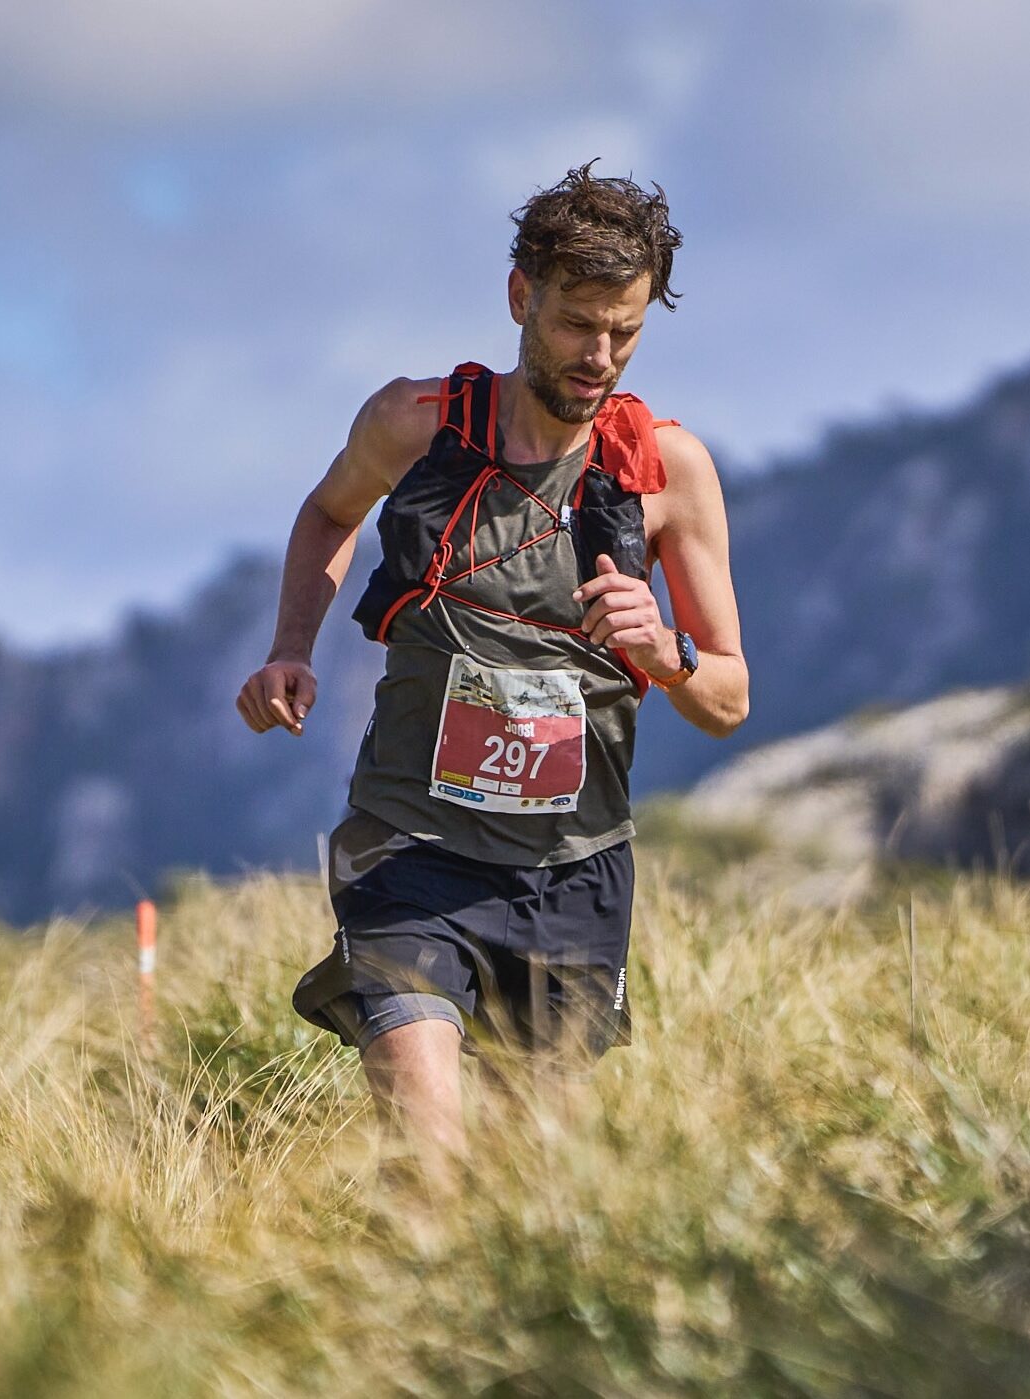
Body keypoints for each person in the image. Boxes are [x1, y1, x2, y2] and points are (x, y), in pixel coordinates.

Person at [236, 162, 748, 1173]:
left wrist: (666, 652)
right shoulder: (414, 424)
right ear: (521, 297)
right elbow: (328, 513)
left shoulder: (666, 470)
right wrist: (292, 644)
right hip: (413, 849)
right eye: (575, 324)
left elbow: (728, 697)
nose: (598, 355)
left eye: (625, 332)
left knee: (526, 1193)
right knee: (428, 1159)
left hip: (573, 868)